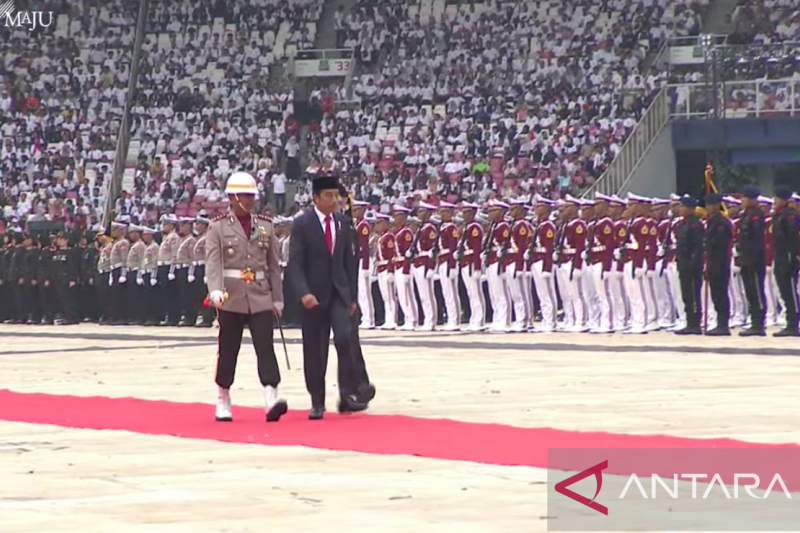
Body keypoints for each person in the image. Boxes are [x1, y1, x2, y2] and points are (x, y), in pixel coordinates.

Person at [205, 171, 288, 423]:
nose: (249, 200)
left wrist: (277, 298)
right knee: (228, 348)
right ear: (232, 197)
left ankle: (271, 396)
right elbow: (213, 262)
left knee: (265, 346)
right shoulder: (217, 226)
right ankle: (223, 397)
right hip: (231, 295)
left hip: (260, 294)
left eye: (251, 195)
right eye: (244, 196)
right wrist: (215, 289)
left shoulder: (265, 225)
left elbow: (273, 265)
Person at [286, 175, 368, 420]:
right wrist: (303, 292)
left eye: (336, 195)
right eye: (329, 196)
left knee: (344, 340)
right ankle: (317, 401)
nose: (334, 200)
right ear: (316, 198)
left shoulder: (342, 222)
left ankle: (346, 395)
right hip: (313, 296)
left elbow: (347, 261)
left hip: (339, 294)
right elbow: (295, 263)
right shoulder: (302, 224)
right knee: (315, 350)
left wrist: (352, 296)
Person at [737, 187, 767, 337]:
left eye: (744, 198)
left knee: (756, 291)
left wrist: (753, 259)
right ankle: (754, 321)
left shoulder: (756, 215)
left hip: (754, 260)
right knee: (749, 292)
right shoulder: (746, 215)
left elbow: (757, 240)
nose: (742, 200)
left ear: (752, 199)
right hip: (745, 259)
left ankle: (759, 323)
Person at [674, 195, 705, 335]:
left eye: (683, 207)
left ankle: (695, 324)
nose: (680, 209)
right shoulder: (682, 224)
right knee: (686, 294)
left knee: (693, 294)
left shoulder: (695, 224)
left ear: (691, 209)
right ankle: (689, 322)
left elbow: (698, 246)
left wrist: (694, 262)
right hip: (682, 262)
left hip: (692, 263)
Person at [704, 193, 734, 336]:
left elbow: (720, 245)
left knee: (721, 293)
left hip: (720, 262)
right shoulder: (712, 221)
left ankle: (723, 324)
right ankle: (720, 323)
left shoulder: (721, 222)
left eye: (710, 205)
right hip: (713, 261)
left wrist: (715, 264)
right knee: (716, 294)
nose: (707, 208)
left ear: (716, 205)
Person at [771, 187, 800, 337]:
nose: (774, 201)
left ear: (783, 199)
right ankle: (790, 322)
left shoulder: (790, 216)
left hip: (788, 258)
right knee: (784, 291)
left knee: (790, 292)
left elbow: (793, 238)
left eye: (776, 198)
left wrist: (791, 257)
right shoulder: (779, 215)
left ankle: (794, 324)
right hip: (780, 256)